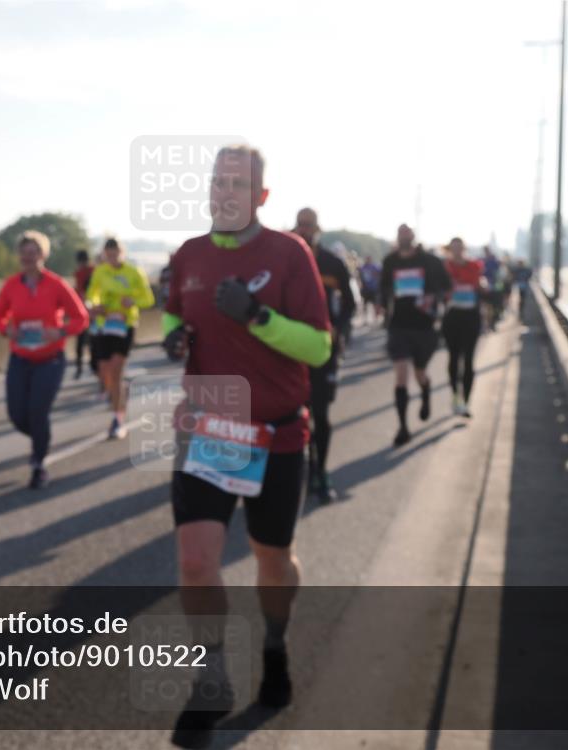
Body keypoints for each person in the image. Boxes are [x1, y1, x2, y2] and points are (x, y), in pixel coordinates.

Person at [162, 145, 331, 748]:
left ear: (261, 195)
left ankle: (275, 645)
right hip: (210, 427)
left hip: (277, 432)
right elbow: (173, 316)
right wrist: (174, 338)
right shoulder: (189, 254)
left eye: (238, 183)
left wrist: (259, 317)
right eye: (216, 181)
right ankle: (211, 681)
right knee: (196, 561)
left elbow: (318, 348)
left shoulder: (290, 254)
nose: (224, 191)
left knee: (270, 557)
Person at [0, 231, 89, 488]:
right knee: (17, 414)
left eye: (34, 251)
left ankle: (38, 462)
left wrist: (59, 331)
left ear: (43, 255)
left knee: (38, 410)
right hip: (21, 357)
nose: (28, 256)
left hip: (50, 359)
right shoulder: (12, 285)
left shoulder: (56, 284)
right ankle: (41, 435)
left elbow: (81, 318)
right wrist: (6, 329)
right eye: (24, 252)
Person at [293, 208, 354, 503]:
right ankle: (297, 466)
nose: (305, 230)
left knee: (321, 413)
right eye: (300, 225)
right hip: (289, 350)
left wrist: (338, 330)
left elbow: (351, 303)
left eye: (309, 226)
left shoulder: (333, 262)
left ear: (318, 228)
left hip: (324, 351)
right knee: (291, 411)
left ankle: (321, 470)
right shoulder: (285, 258)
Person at [380, 223, 452, 447]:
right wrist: (382, 304)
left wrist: (433, 298)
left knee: (420, 374)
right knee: (401, 375)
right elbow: (383, 288)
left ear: (412, 237)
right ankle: (403, 427)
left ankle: (426, 392)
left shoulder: (430, 261)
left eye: (407, 234)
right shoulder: (389, 262)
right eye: (400, 234)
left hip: (424, 327)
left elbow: (447, 288)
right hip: (399, 326)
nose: (403, 237)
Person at [85, 237, 155, 439]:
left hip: (125, 325)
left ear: (121, 253)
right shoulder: (100, 272)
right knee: (105, 373)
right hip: (104, 325)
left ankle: (117, 420)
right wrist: (94, 305)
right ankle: (118, 391)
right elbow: (91, 295)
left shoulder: (134, 272)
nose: (112, 258)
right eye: (108, 255)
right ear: (104, 255)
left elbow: (148, 299)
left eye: (115, 254)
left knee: (116, 370)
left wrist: (131, 300)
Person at [442, 238, 486, 418]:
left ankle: (466, 402)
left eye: (460, 248)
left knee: (468, 360)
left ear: (464, 249)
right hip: (452, 317)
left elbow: (480, 287)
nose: (457, 251)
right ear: (450, 250)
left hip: (471, 317)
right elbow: (440, 290)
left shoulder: (474, 266)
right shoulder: (445, 268)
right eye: (454, 248)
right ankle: (455, 395)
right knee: (453, 358)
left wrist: (483, 287)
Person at [72, 248, 96, 380]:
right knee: (91, 341)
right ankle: (91, 366)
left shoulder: (80, 272)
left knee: (82, 342)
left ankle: (80, 367)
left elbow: (79, 291)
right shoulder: (94, 270)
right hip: (90, 310)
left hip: (84, 310)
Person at [358, 254, 382, 324]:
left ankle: (376, 319)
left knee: (375, 304)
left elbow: (380, 273)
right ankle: (365, 319)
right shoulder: (363, 268)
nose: (368, 260)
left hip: (373, 288)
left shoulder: (375, 267)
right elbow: (360, 277)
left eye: (369, 259)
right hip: (365, 289)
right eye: (367, 259)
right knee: (365, 304)